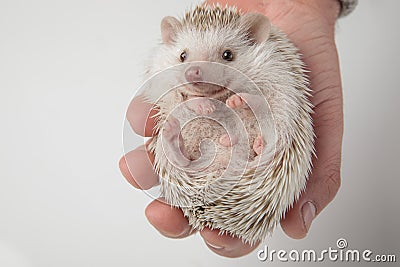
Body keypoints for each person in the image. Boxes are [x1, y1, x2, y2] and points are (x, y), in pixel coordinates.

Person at [119, 0, 357, 258]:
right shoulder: (165, 72)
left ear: (256, 39)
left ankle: (246, 152)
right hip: (204, 151)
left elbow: (281, 111)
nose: (196, 70)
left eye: (226, 56)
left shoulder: (272, 68)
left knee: (270, 116)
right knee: (171, 118)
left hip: (247, 153)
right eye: (184, 56)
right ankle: (182, 154)